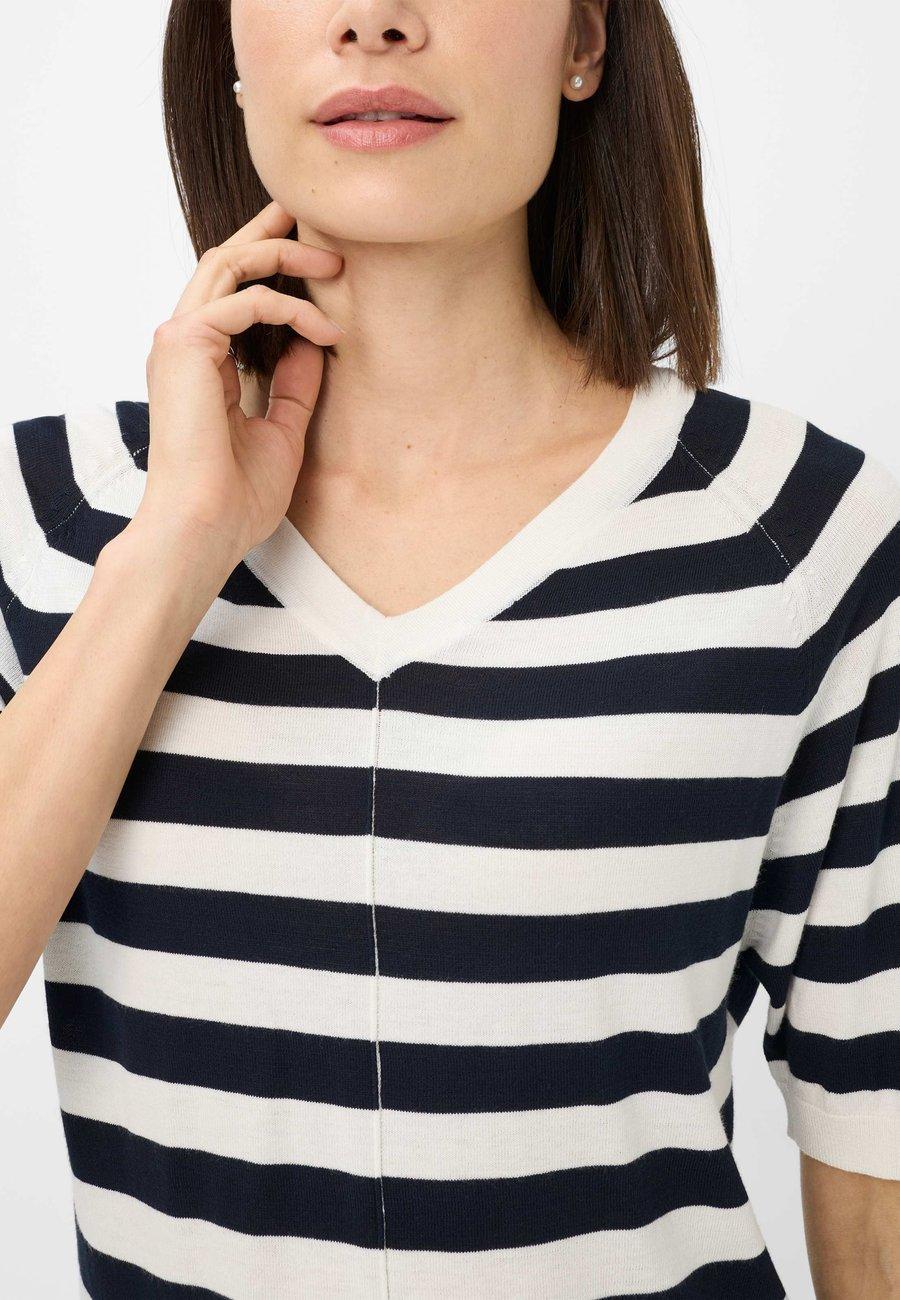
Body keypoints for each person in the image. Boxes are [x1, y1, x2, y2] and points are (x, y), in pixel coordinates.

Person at [1, 1, 897, 1296]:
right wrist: (173, 550)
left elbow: (874, 1140)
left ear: (585, 43)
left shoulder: (803, 540)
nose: (374, 18)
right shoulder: (48, 522)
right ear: (230, 49)